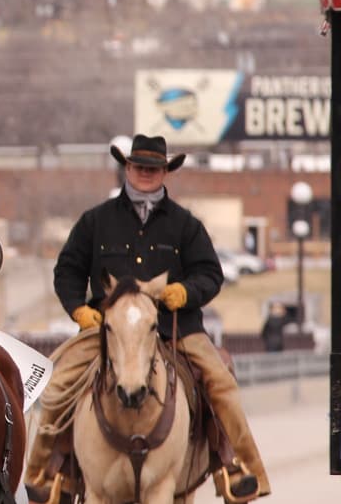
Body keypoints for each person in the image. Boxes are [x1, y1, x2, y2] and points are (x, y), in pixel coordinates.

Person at [23, 134, 269, 504]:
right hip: (108, 330)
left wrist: (185, 292)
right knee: (58, 386)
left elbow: (210, 273)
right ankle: (44, 474)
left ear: (165, 172)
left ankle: (239, 469)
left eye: (154, 168)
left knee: (221, 383)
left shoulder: (186, 224)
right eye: (139, 166)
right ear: (127, 168)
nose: (146, 173)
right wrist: (78, 309)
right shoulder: (96, 220)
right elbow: (68, 270)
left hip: (174, 328)